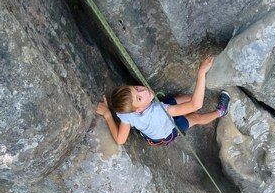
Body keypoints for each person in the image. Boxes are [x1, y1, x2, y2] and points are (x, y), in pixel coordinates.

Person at [96, 56, 230, 146]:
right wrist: (201, 72)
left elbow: (120, 139)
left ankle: (191, 101)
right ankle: (221, 112)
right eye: (139, 97)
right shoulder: (159, 111)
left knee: (186, 100)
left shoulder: (126, 112)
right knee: (195, 117)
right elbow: (196, 104)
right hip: (167, 132)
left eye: (137, 88)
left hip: (156, 112)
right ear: (138, 109)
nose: (144, 91)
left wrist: (108, 114)